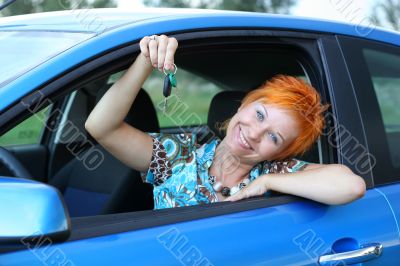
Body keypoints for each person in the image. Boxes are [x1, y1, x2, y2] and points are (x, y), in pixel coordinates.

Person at [85, 35, 366, 210]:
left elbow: (351, 186)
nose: (255, 133)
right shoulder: (177, 155)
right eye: (259, 114)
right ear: (244, 104)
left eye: (274, 137)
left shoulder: (277, 171)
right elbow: (101, 127)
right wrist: (147, 59)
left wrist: (267, 180)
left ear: (281, 153)